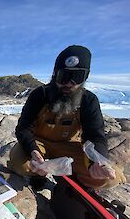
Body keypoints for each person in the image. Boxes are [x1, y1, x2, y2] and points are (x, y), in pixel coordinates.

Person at [7, 45, 126, 189]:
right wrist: (32, 150)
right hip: (39, 145)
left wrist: (97, 161)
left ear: (85, 78)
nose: (69, 83)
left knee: (110, 178)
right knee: (20, 164)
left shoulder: (89, 100)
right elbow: (23, 128)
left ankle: (71, 178)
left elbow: (95, 136)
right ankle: (38, 176)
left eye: (76, 77)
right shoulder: (40, 95)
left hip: (69, 147)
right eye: (64, 76)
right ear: (54, 75)